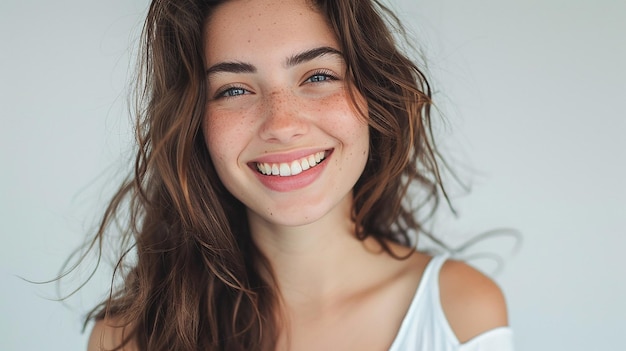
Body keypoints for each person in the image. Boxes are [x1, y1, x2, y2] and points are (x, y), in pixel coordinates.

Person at [85, 0, 513, 350]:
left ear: (373, 97)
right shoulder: (128, 340)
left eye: (318, 76)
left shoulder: (460, 314)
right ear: (195, 126)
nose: (281, 123)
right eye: (234, 89)